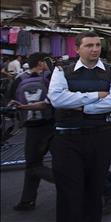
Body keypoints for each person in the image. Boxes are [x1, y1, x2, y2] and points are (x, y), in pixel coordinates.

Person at [48, 31, 111, 222]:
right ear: (77, 49)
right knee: (69, 192)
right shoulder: (61, 70)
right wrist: (96, 96)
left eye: (97, 45)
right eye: (89, 45)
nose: (94, 49)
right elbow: (57, 99)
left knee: (95, 190)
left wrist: (81, 107)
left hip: (100, 138)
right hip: (67, 139)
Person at [8, 52, 55, 211]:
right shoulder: (50, 77)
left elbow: (11, 101)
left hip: (32, 128)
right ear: (41, 63)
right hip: (52, 125)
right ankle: (27, 200)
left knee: (33, 164)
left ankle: (28, 200)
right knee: (65, 160)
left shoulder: (19, 79)